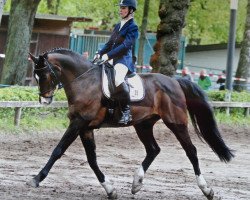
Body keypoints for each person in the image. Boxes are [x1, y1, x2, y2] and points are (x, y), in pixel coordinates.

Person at [94, 0, 139, 124]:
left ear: (131, 10)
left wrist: (108, 55)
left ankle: (126, 111)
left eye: (123, 8)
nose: (120, 10)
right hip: (112, 58)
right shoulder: (118, 25)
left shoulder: (133, 27)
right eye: (120, 7)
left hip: (124, 60)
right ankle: (108, 108)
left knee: (118, 79)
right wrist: (100, 53)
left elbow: (125, 46)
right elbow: (109, 44)